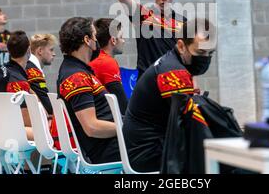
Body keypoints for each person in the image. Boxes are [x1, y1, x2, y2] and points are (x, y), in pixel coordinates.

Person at [123, 18, 216, 172]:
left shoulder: (170, 61)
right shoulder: (173, 72)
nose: (205, 58)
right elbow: (189, 125)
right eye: (200, 52)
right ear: (181, 46)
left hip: (149, 145)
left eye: (210, 53)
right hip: (149, 153)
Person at [56, 17, 120, 163]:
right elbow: (91, 127)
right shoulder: (75, 76)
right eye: (94, 35)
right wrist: (126, 127)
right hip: (108, 148)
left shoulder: (77, 69)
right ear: (87, 39)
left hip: (112, 142)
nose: (97, 39)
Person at [0, 30, 33, 140]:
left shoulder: (5, 69)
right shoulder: (17, 81)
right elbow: (25, 121)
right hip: (1, 131)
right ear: (29, 50)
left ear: (8, 50)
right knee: (49, 134)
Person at [89, 18, 128, 115]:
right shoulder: (107, 62)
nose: (124, 41)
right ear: (113, 40)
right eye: (122, 37)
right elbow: (122, 105)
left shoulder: (94, 58)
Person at [26, 34, 57, 117]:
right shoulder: (33, 72)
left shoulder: (31, 67)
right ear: (40, 51)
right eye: (51, 50)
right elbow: (48, 105)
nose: (54, 54)